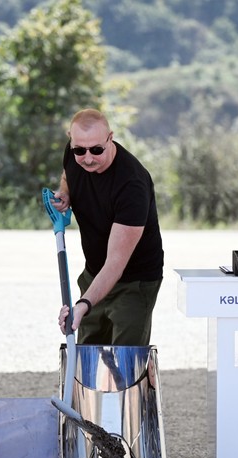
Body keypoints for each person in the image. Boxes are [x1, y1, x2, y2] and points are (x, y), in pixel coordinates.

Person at [52, 108, 164, 346]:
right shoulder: (74, 154)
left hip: (134, 281)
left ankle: (137, 381)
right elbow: (67, 174)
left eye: (97, 149)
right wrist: (65, 192)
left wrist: (83, 303)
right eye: (79, 150)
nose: (88, 157)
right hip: (94, 273)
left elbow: (115, 263)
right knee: (87, 354)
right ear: (71, 140)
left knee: (125, 360)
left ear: (110, 138)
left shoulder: (132, 184)